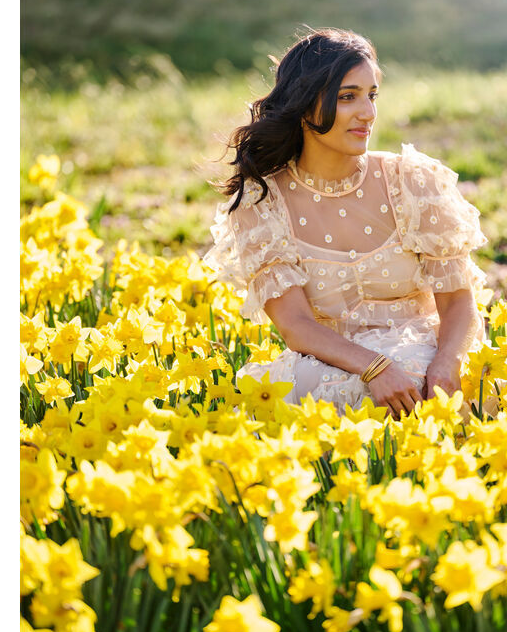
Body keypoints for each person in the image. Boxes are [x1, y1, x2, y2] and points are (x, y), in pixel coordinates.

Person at [202, 27, 488, 419]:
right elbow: (296, 326)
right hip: (330, 360)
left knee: (422, 380)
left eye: (371, 95)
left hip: (426, 351)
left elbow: (457, 300)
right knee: (323, 393)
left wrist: (447, 362)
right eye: (347, 97)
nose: (367, 113)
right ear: (304, 104)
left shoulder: (413, 182)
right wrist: (375, 367)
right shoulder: (263, 205)